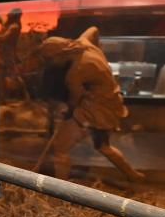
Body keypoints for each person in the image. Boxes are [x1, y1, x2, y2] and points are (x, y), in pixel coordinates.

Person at [37, 26, 145, 182]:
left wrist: (68, 112)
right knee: (103, 146)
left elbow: (75, 100)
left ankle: (60, 186)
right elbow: (93, 29)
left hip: (95, 109)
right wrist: (98, 47)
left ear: (59, 55)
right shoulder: (84, 42)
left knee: (60, 147)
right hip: (112, 102)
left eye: (51, 59)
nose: (52, 63)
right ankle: (133, 175)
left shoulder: (76, 72)